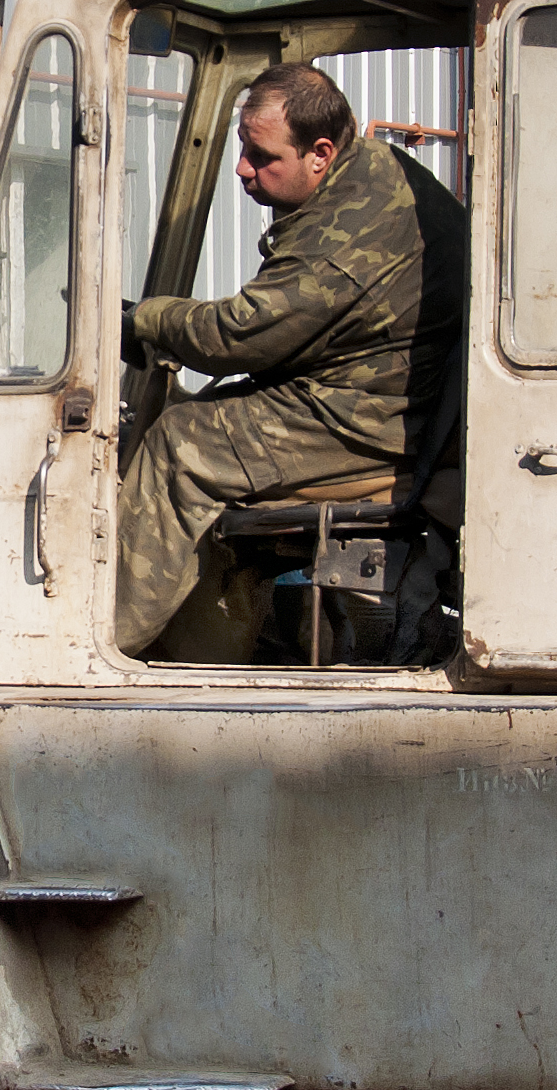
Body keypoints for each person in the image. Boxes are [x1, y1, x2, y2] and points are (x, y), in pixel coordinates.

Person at [114, 64, 467, 655]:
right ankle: (198, 645)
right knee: (196, 410)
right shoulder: (372, 171)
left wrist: (144, 319)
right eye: (243, 149)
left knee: (182, 443)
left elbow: (239, 337)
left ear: (320, 153)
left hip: (368, 419)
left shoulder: (345, 235)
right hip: (378, 394)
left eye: (261, 155)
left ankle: (92, 645)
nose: (243, 169)